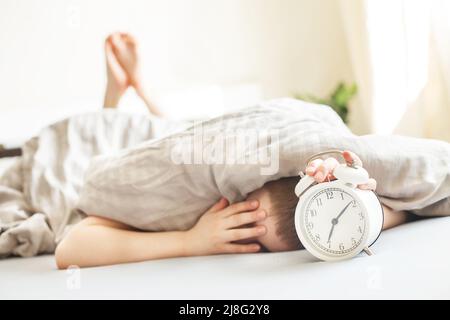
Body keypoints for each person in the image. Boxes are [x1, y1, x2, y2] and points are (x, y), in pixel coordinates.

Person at [54, 33, 414, 269]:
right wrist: (189, 241)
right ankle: (127, 96)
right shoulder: (216, 187)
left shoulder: (334, 229)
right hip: (183, 147)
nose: (238, 230)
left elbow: (399, 213)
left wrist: (361, 205)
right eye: (242, 217)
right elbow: (69, 248)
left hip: (171, 146)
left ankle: (123, 97)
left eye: (251, 238)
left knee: (162, 139)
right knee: (172, 140)